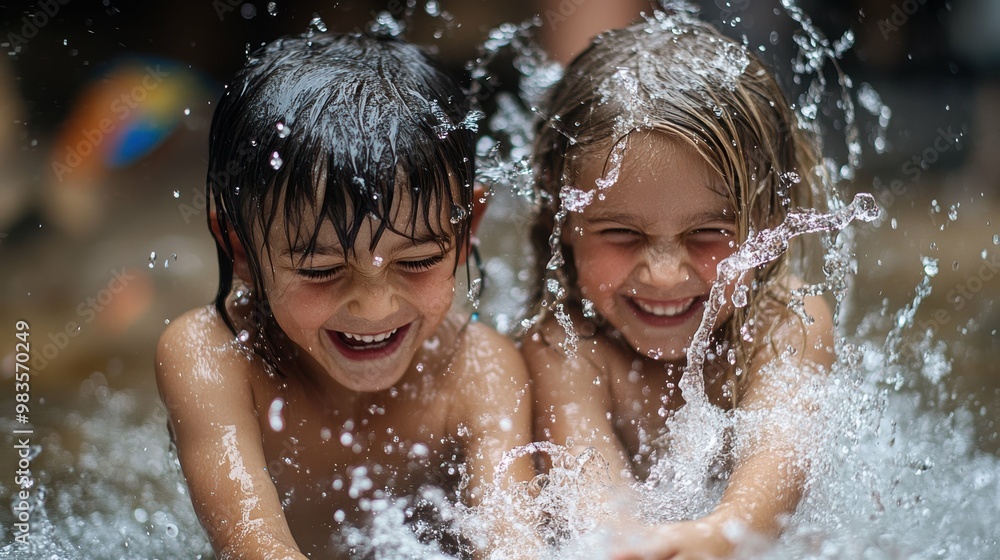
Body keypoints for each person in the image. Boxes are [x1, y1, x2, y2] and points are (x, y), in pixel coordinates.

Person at [155, 32, 535, 559]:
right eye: (322, 268)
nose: (374, 306)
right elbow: (255, 549)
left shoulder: (479, 371)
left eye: (417, 260)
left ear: (468, 228)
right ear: (238, 249)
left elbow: (515, 543)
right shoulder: (213, 356)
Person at [522, 9, 836, 559]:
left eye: (708, 233)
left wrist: (723, 536)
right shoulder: (563, 349)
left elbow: (777, 467)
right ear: (561, 212)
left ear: (768, 216)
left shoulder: (788, 323)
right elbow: (601, 521)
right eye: (621, 233)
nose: (663, 273)